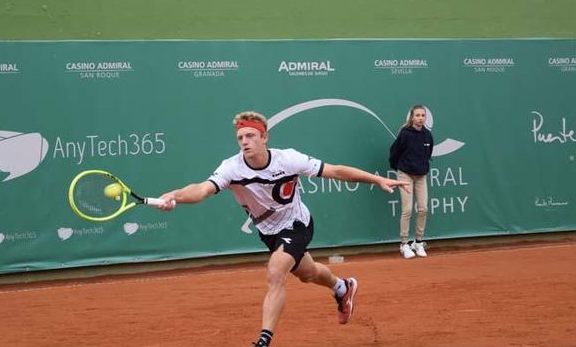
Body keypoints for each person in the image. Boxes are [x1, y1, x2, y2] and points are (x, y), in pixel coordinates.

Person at [155, 110, 408, 347]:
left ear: (264, 137)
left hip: (297, 223)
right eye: (240, 137)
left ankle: (264, 340)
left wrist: (376, 179)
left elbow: (336, 170)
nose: (245, 141)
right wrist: (175, 195)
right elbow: (201, 190)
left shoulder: (288, 159)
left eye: (251, 136)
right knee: (307, 273)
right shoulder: (231, 167)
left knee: (276, 272)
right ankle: (343, 287)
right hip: (268, 231)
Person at [389, 105, 434, 260]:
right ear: (412, 117)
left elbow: (428, 154)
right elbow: (394, 152)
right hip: (405, 175)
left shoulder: (428, 135)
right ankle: (404, 244)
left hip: (421, 176)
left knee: (423, 208)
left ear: (425, 118)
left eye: (423, 115)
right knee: (407, 210)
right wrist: (399, 169)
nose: (420, 118)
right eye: (417, 115)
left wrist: (421, 168)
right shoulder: (405, 134)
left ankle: (418, 242)